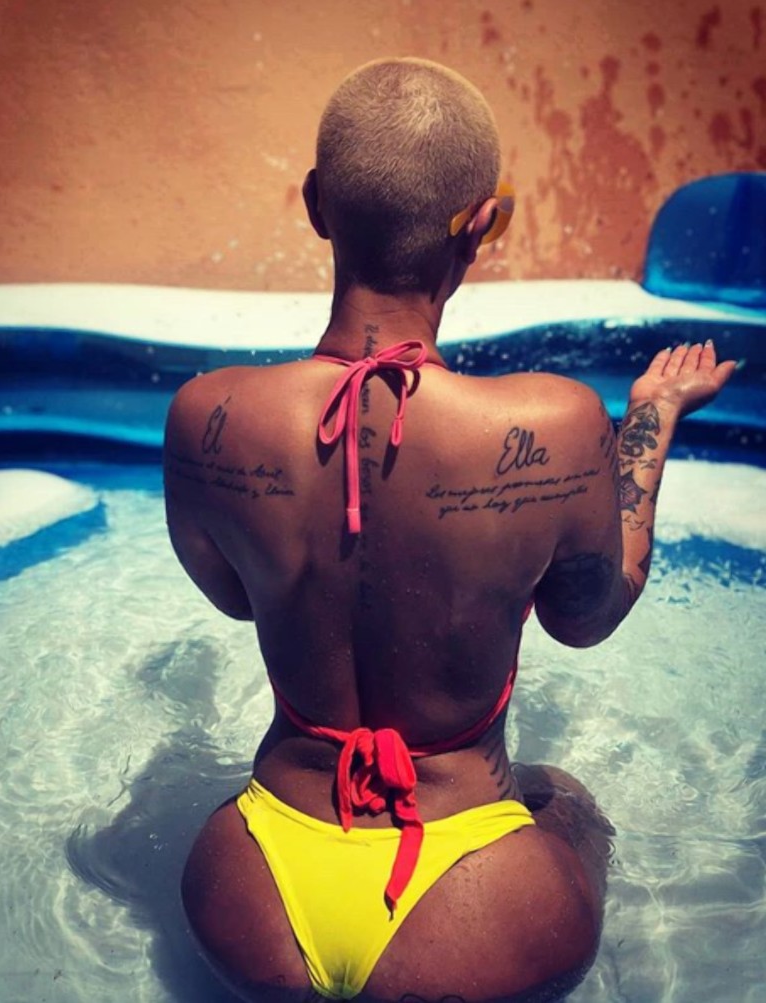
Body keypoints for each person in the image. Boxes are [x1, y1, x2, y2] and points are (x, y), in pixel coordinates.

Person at [165, 58, 736, 1003]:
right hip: (481, 916)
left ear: (315, 206)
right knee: (566, 797)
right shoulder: (554, 422)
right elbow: (588, 617)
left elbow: (231, 596)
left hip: (249, 886)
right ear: (480, 226)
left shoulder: (205, 417)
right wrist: (653, 416)